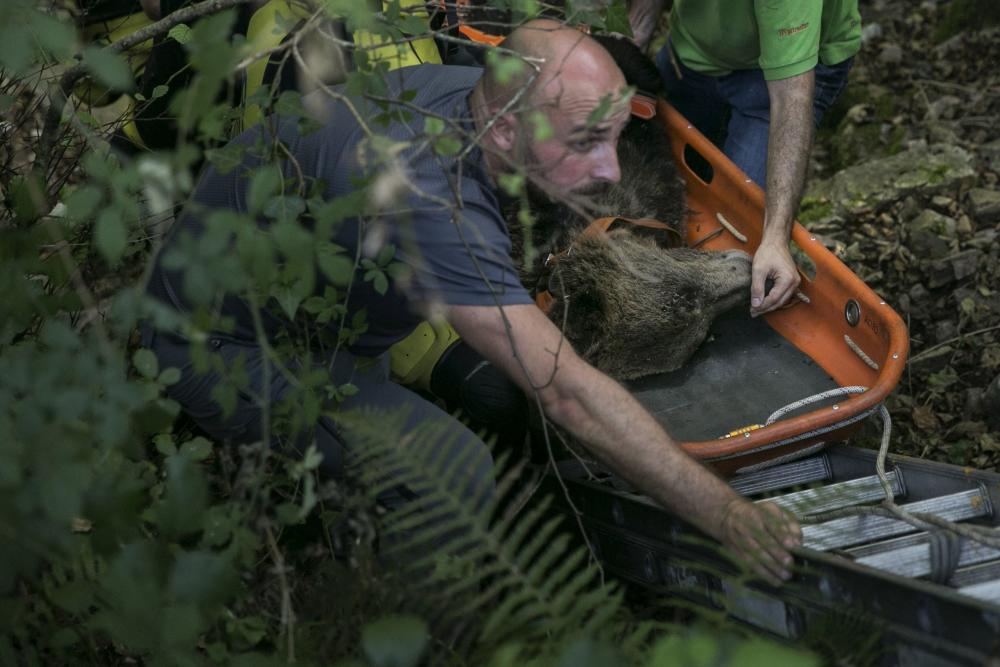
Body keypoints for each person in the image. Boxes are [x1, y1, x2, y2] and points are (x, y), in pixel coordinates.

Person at [143, 18, 801, 584]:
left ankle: (347, 524)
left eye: (612, 134)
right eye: (583, 144)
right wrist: (730, 517)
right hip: (216, 343)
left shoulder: (471, 100)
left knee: (376, 420)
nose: (609, 168)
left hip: (317, 307)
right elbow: (568, 394)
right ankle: (400, 628)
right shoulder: (433, 198)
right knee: (456, 471)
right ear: (509, 132)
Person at [630, 0, 859, 317]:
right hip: (696, 52)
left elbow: (790, 97)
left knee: (735, 240)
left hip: (780, 80)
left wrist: (775, 237)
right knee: (657, 176)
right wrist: (631, 43)